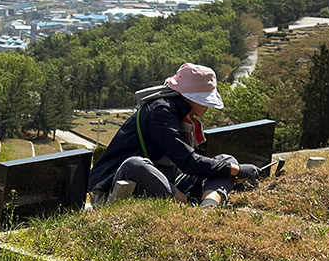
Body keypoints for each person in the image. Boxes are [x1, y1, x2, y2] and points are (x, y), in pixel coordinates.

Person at [87, 62, 281, 207]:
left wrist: (231, 167)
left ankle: (208, 207)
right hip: (119, 185)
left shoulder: (182, 114)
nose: (207, 107)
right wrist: (236, 171)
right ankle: (188, 203)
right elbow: (189, 162)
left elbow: (192, 163)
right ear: (190, 97)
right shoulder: (160, 112)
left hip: (166, 181)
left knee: (226, 160)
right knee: (135, 164)